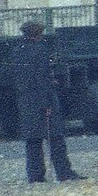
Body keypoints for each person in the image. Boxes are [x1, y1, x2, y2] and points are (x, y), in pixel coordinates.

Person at [13, 21, 77, 184]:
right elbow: (42, 78)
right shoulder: (41, 50)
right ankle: (64, 172)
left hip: (25, 100)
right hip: (42, 99)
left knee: (32, 140)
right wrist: (47, 103)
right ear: (38, 34)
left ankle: (35, 175)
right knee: (55, 138)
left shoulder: (17, 51)